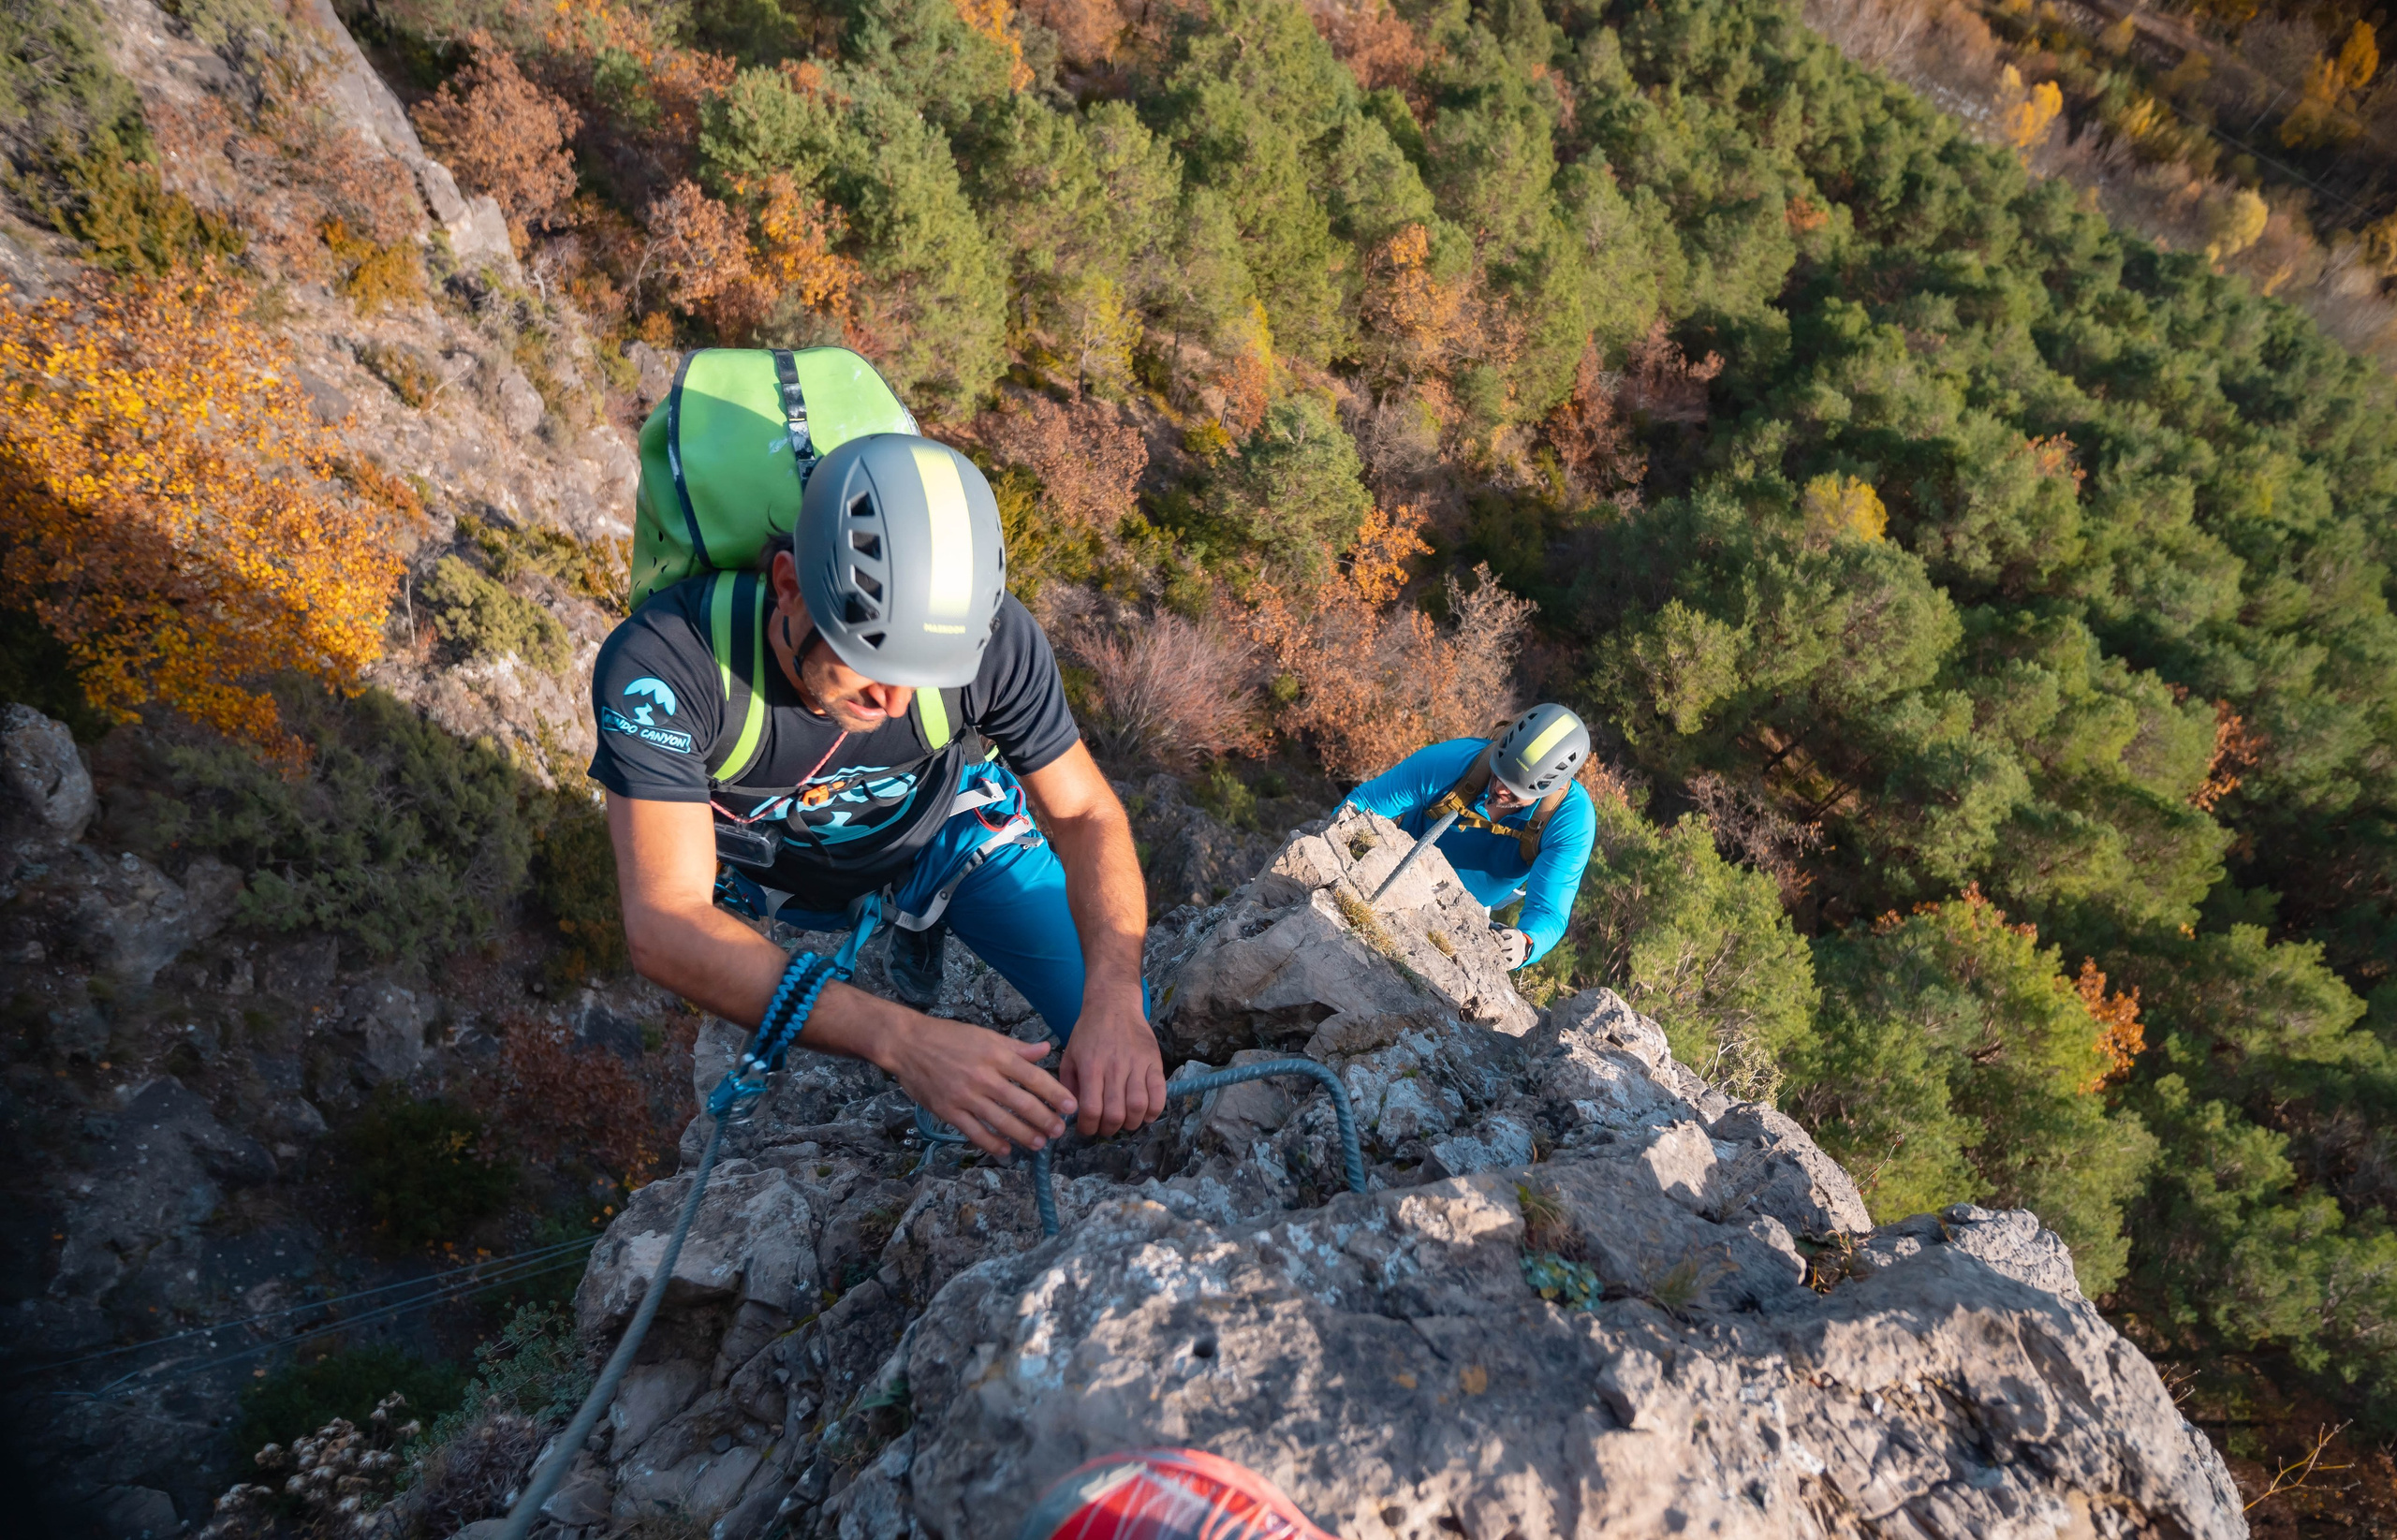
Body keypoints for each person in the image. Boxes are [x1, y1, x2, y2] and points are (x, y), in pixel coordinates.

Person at [590, 433, 1167, 1157]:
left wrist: (1114, 996)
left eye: (923, 675)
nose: (895, 702)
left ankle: (924, 927)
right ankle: (896, 951)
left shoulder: (991, 641)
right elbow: (665, 922)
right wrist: (902, 1039)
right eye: (868, 659)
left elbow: (1084, 813)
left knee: (1126, 1051)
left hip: (944, 833)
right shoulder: (668, 665)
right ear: (789, 585)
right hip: (782, 882)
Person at [1340, 704, 1598, 970]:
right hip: (1394, 870)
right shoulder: (1451, 762)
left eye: (1514, 790)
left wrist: (1526, 943)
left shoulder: (1570, 821)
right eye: (1499, 773)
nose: (1499, 789)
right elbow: (1364, 803)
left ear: (1552, 787)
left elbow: (1548, 911)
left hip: (1466, 912)